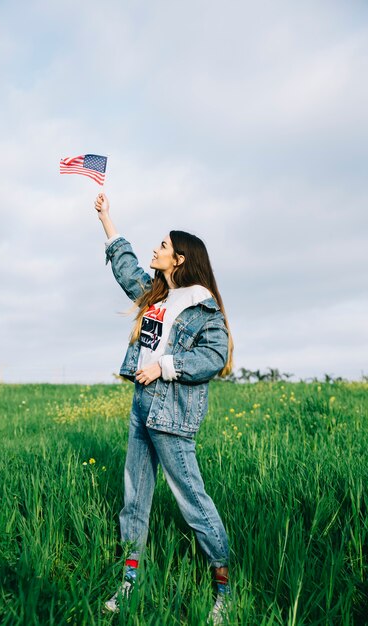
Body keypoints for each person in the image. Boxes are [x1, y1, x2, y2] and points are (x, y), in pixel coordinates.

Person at [94, 192, 235, 624]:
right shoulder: (156, 295)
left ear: (179, 258)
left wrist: (166, 367)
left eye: (162, 245)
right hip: (141, 407)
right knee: (134, 500)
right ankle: (130, 582)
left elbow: (214, 356)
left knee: (192, 500)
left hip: (172, 413)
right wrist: (106, 220)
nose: (156, 249)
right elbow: (126, 269)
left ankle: (224, 587)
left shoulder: (202, 305)